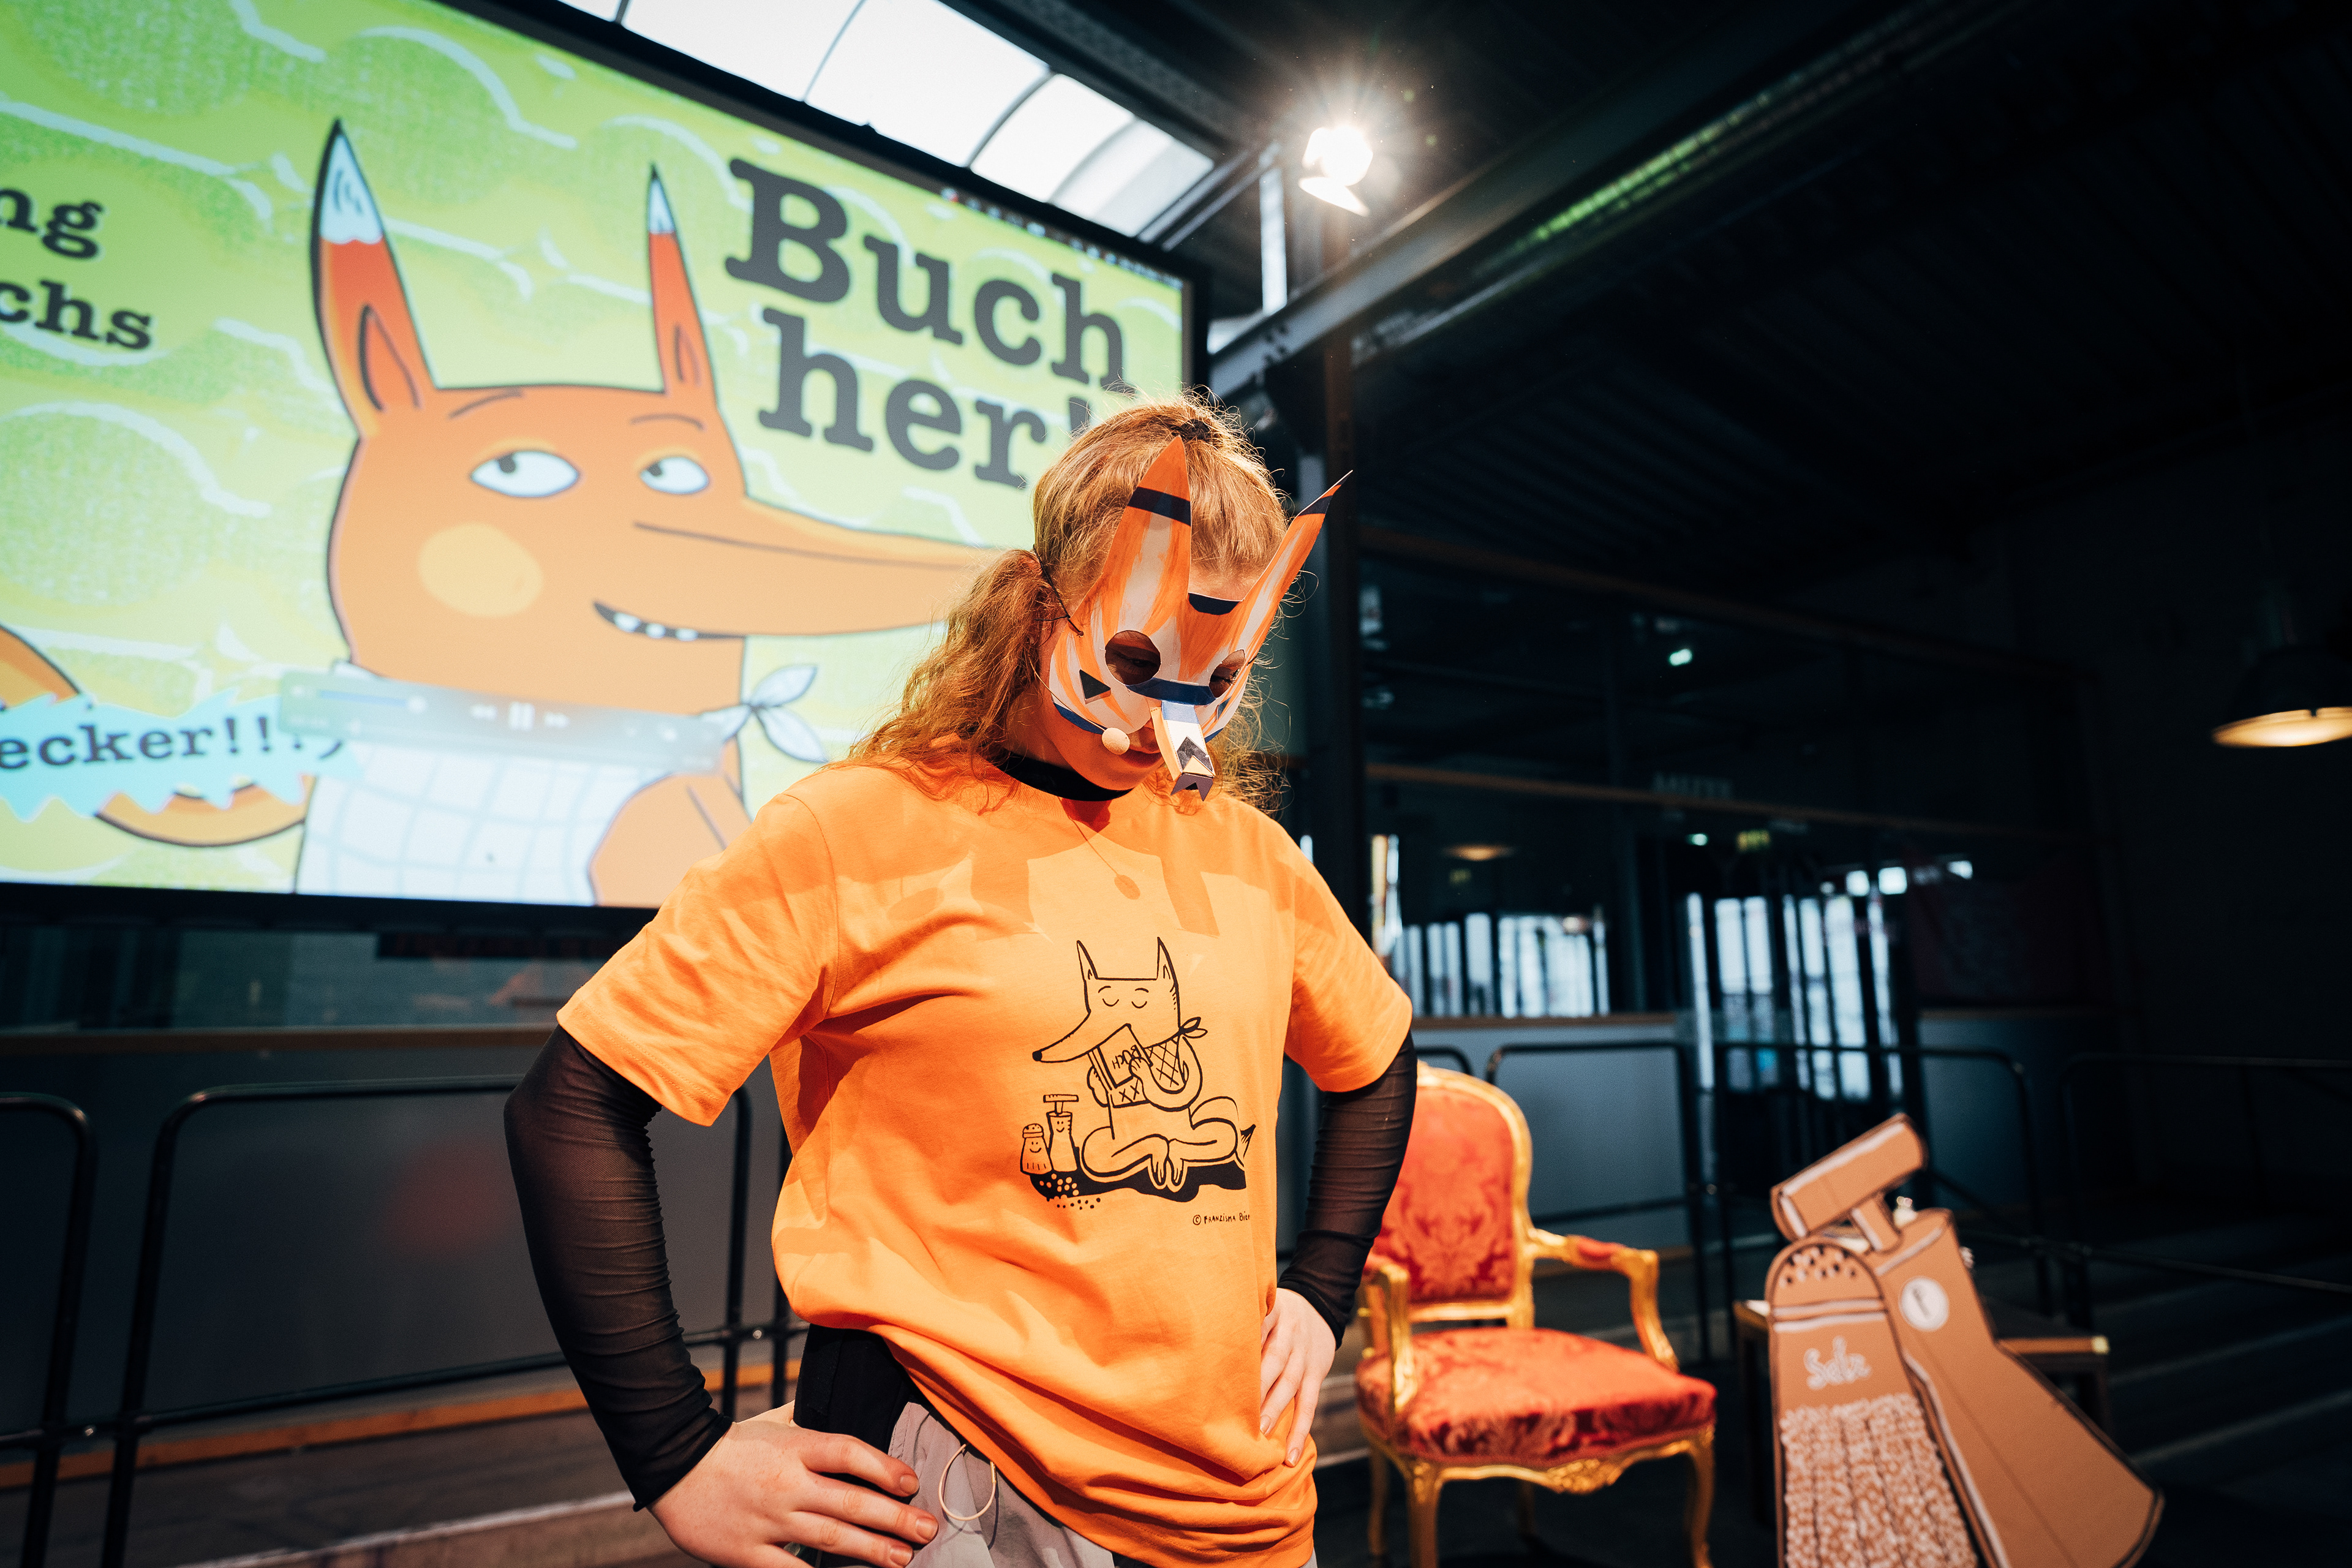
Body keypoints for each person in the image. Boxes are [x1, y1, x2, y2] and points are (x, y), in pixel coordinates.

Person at [505, 397, 1417, 1568]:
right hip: (963, 1494)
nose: (1167, 725)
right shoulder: (854, 830)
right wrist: (672, 1452)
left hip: (1244, 1507)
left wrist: (1323, 1292)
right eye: (1136, 662)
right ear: (1039, 606)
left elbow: (1377, 1060)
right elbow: (573, 1105)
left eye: (1219, 674)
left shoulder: (1250, 857)